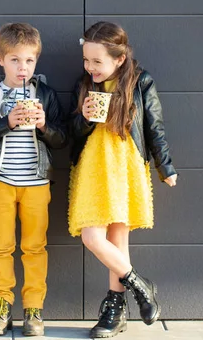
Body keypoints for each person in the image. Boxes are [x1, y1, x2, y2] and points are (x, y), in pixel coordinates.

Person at [67, 21, 178, 338]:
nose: (90, 68)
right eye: (86, 61)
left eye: (97, 61)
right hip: (93, 169)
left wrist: (165, 167)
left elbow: (155, 128)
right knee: (93, 237)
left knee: (117, 242)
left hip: (126, 168)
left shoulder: (140, 82)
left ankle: (115, 312)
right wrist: (85, 118)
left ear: (119, 58)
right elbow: (71, 132)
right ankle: (141, 285)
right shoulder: (84, 84)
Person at [0, 23, 66, 336]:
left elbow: (62, 139)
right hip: (0, 181)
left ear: (36, 61)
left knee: (35, 247)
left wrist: (44, 126)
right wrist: (6, 122)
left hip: (36, 184)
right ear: (0, 59)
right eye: (15, 60)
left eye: (29, 61)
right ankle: (1, 308)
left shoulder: (45, 94)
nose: (23, 67)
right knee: (1, 247)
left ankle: (33, 311)